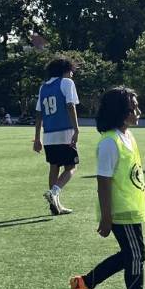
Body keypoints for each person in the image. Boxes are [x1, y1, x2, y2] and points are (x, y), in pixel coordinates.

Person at [69, 87, 145, 289]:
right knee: (136, 256)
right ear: (121, 112)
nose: (138, 111)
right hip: (119, 210)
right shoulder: (109, 143)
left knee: (133, 255)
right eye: (134, 107)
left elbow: (136, 175)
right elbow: (103, 183)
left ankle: (84, 283)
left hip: (133, 207)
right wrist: (106, 217)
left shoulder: (129, 137)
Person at [33, 57, 80, 216]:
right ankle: (54, 192)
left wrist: (37, 137)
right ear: (65, 70)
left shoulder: (43, 88)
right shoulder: (66, 83)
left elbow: (38, 114)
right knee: (71, 167)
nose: (72, 74)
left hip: (48, 134)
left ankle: (56, 206)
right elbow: (70, 105)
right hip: (65, 131)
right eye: (71, 71)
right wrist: (76, 129)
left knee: (54, 166)